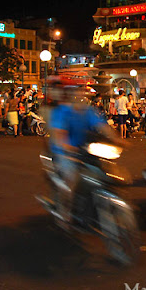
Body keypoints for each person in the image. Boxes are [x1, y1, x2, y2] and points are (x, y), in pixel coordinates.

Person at [47, 79, 121, 224]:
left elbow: (102, 126)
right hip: (65, 153)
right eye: (76, 90)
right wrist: (67, 147)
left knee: (108, 173)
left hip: (86, 151)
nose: (80, 93)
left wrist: (117, 139)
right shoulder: (61, 112)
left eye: (81, 90)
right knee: (72, 179)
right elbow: (59, 134)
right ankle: (64, 211)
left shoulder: (88, 110)